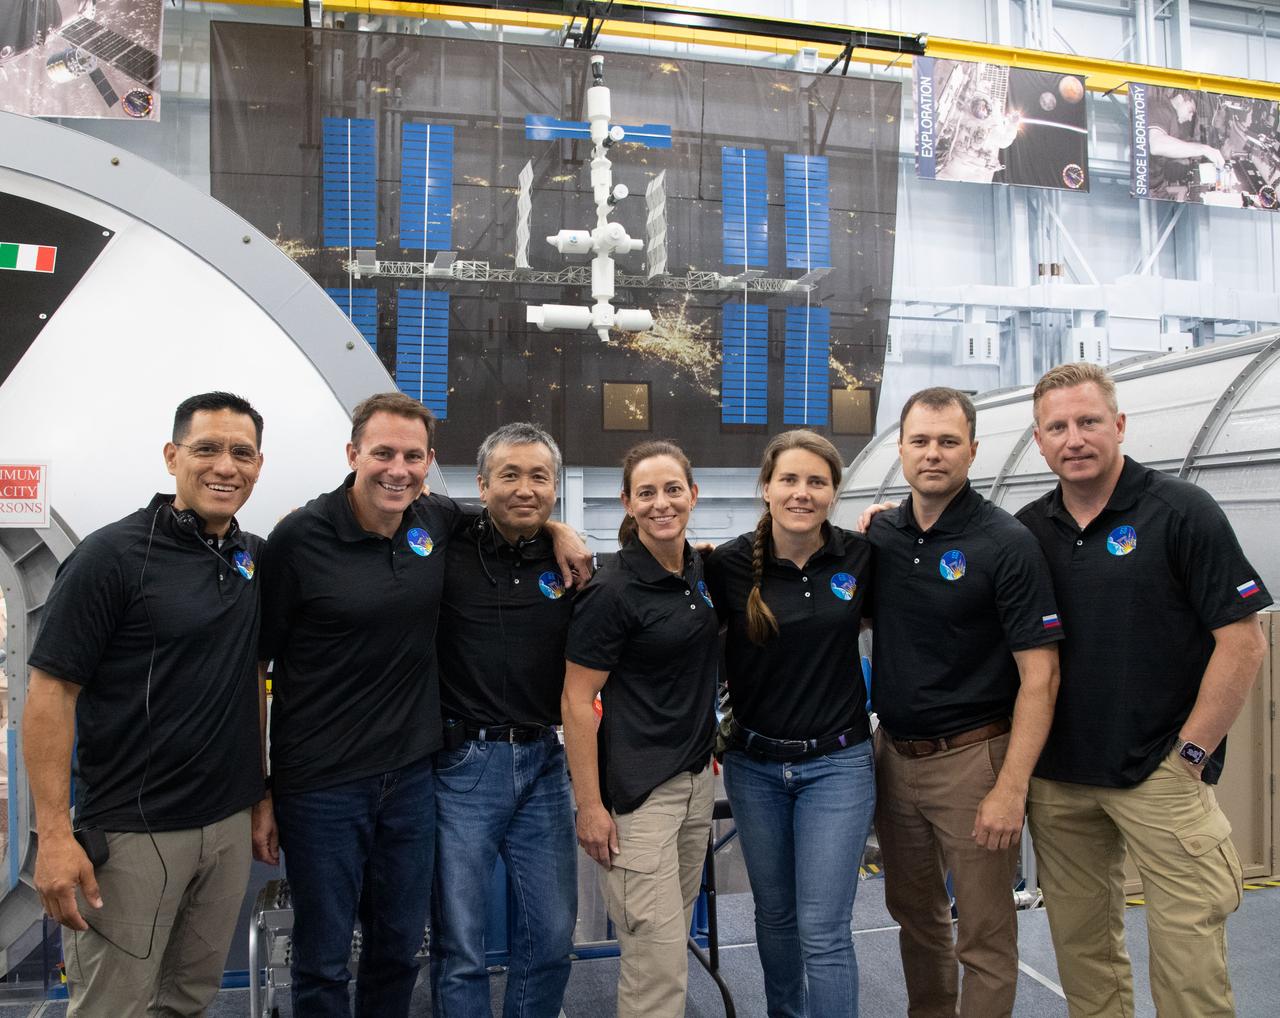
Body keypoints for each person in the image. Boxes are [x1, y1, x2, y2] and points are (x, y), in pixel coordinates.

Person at [255, 394, 588, 1018]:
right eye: (382, 453)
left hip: (412, 774)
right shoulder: (300, 538)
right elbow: (258, 665)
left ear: (430, 463)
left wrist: (558, 527)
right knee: (323, 959)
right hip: (321, 785)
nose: (397, 469)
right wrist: (261, 787)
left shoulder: (430, 521)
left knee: (398, 950)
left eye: (412, 457)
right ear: (353, 455)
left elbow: (508, 507)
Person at [1017, 362, 1268, 1018]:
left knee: (1189, 963)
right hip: (1061, 780)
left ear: (1120, 425)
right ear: (1038, 441)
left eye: (1089, 421)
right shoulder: (1025, 530)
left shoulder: (1182, 511)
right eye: (1058, 426)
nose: (1075, 438)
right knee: (1084, 958)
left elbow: (1243, 642)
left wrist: (1191, 754)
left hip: (1161, 774)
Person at [23, 391, 267, 1017]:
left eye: (241, 453)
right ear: (171, 456)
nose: (225, 466)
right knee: (115, 1006)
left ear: (258, 465)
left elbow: (250, 677)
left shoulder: (252, 558)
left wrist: (555, 528)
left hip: (226, 826)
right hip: (133, 832)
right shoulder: (112, 557)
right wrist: (53, 835)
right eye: (206, 448)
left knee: (188, 999)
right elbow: (51, 694)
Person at [865, 387, 1061, 1018]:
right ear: (900, 448)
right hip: (894, 758)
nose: (933, 453)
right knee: (916, 919)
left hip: (975, 761)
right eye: (920, 440)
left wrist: (1010, 787)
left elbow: (1041, 677)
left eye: (949, 441)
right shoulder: (882, 535)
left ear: (973, 450)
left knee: (983, 933)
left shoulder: (1006, 542)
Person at [705, 430, 875, 1018]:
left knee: (825, 929)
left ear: (834, 492)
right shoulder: (725, 564)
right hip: (754, 769)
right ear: (766, 487)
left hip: (839, 766)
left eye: (816, 482)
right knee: (774, 917)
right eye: (789, 480)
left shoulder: (861, 555)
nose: (801, 493)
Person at [562, 440, 718, 1018]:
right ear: (627, 503)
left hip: (694, 787)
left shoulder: (696, 570)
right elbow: (577, 702)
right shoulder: (613, 590)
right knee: (655, 972)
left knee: (667, 950)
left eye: (672, 489)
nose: (661, 504)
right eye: (646, 493)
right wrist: (590, 807)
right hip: (638, 801)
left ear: (693, 495)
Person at [430, 422, 577, 1018]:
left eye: (539, 476)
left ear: (555, 487)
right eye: (509, 475)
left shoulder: (570, 563)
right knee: (460, 947)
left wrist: (562, 531)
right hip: (463, 766)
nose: (524, 488)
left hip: (546, 763)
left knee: (551, 939)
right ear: (481, 483)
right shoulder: (443, 541)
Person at [1148, 88, 1224, 194]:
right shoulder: (1161, 108)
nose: (1190, 118)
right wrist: (1204, 149)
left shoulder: (1172, 115)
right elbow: (1156, 145)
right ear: (1180, 98)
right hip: (1148, 188)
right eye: (1191, 111)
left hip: (1158, 184)